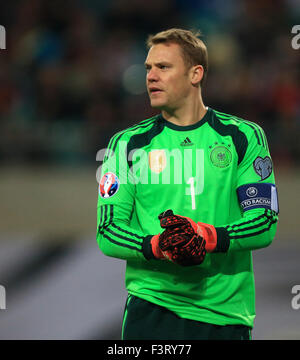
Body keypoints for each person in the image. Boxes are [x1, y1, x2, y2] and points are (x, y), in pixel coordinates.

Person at [96, 28, 279, 340]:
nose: (151, 77)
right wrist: (158, 245)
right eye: (148, 68)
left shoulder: (243, 137)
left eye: (163, 67)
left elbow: (264, 223)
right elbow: (108, 232)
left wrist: (205, 237)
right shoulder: (126, 144)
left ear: (196, 74)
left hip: (226, 314)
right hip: (153, 310)